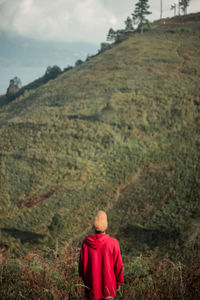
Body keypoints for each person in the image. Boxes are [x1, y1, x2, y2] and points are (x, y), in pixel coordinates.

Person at [79, 210, 124, 300]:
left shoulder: (85, 243)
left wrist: (88, 282)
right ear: (106, 224)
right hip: (109, 290)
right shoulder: (113, 243)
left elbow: (81, 269)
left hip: (92, 290)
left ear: (94, 226)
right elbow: (118, 266)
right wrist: (118, 283)